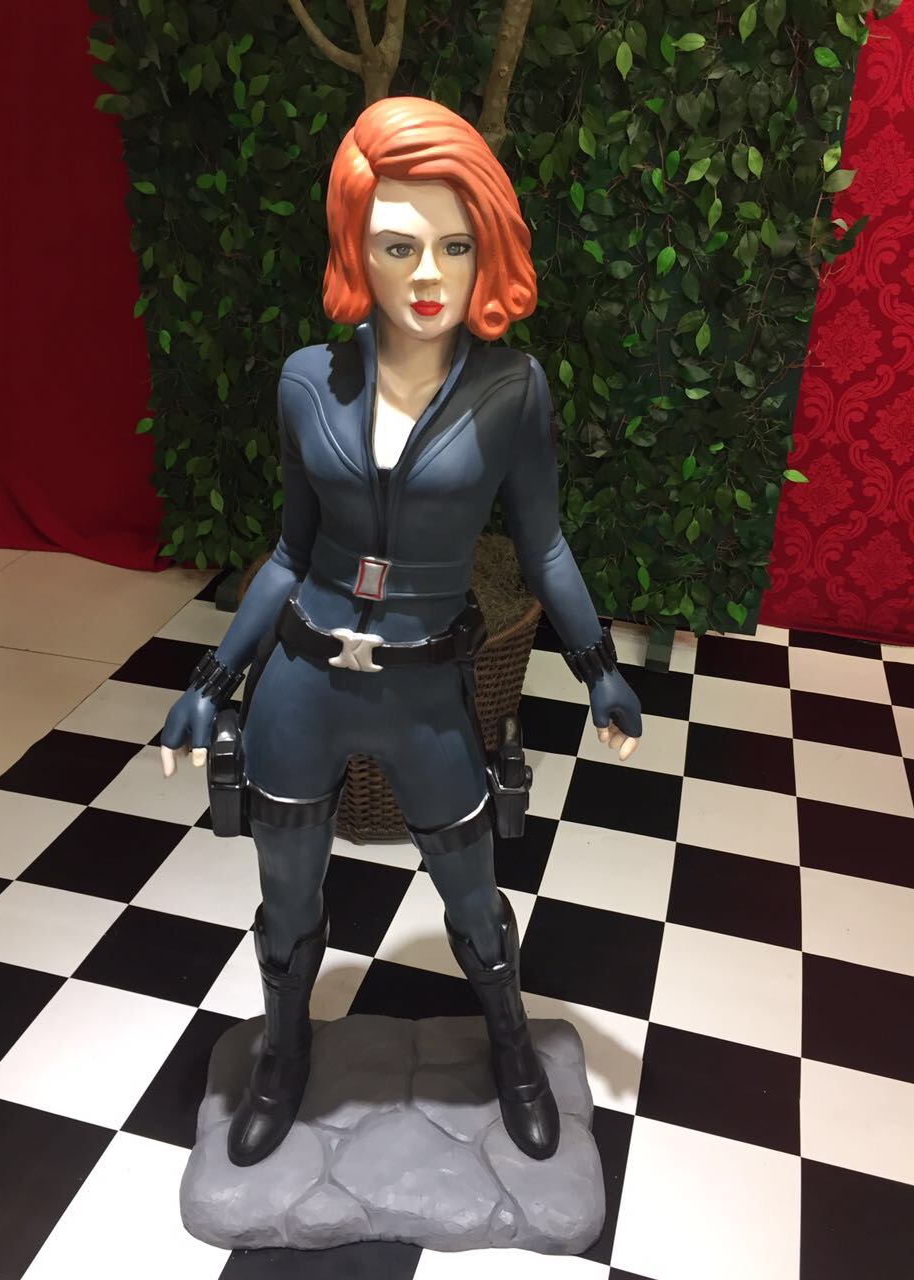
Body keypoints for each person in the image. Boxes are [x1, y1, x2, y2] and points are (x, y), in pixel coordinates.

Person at [159, 96, 643, 1169]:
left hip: (427, 688)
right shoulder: (307, 381)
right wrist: (210, 679)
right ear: (356, 248)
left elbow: (544, 545)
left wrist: (599, 665)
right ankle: (284, 1053)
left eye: (455, 245)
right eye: (397, 245)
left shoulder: (513, 389)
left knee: (470, 889)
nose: (429, 273)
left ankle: (513, 1048)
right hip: (302, 682)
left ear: (488, 250)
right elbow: (288, 553)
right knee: (286, 892)